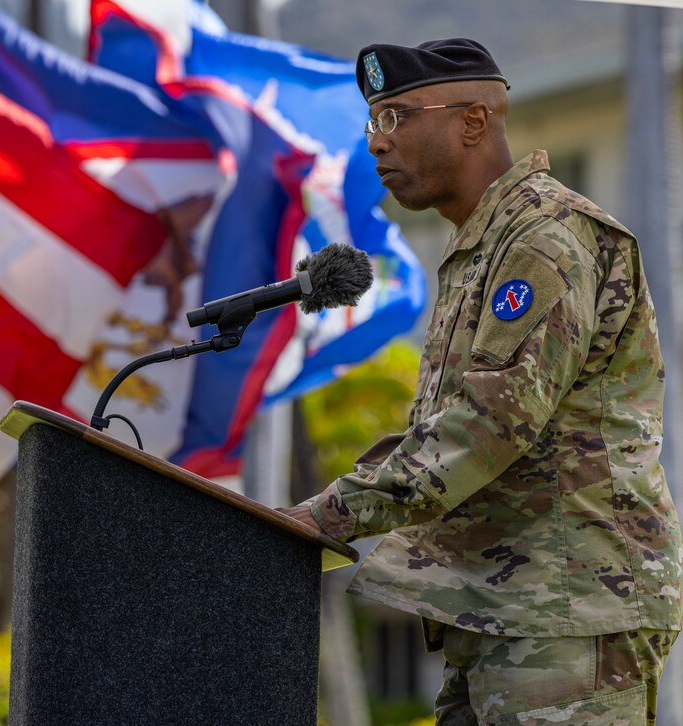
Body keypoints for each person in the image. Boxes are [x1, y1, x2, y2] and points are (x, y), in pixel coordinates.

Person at [278, 38, 683, 724]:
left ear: (473, 120)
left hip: (570, 613)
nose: (377, 143)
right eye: (374, 122)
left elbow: (488, 427)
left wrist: (330, 513)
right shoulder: (480, 249)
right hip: (503, 612)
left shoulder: (545, 239)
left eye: (397, 117)